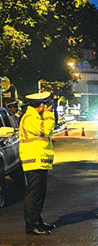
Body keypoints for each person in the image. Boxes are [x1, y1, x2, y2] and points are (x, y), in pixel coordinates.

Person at [19, 92, 56, 235]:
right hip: (34, 161)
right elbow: (46, 130)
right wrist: (48, 115)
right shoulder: (29, 118)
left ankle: (38, 222)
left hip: (39, 160)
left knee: (40, 194)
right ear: (41, 105)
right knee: (34, 195)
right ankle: (31, 226)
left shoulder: (34, 117)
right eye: (46, 105)